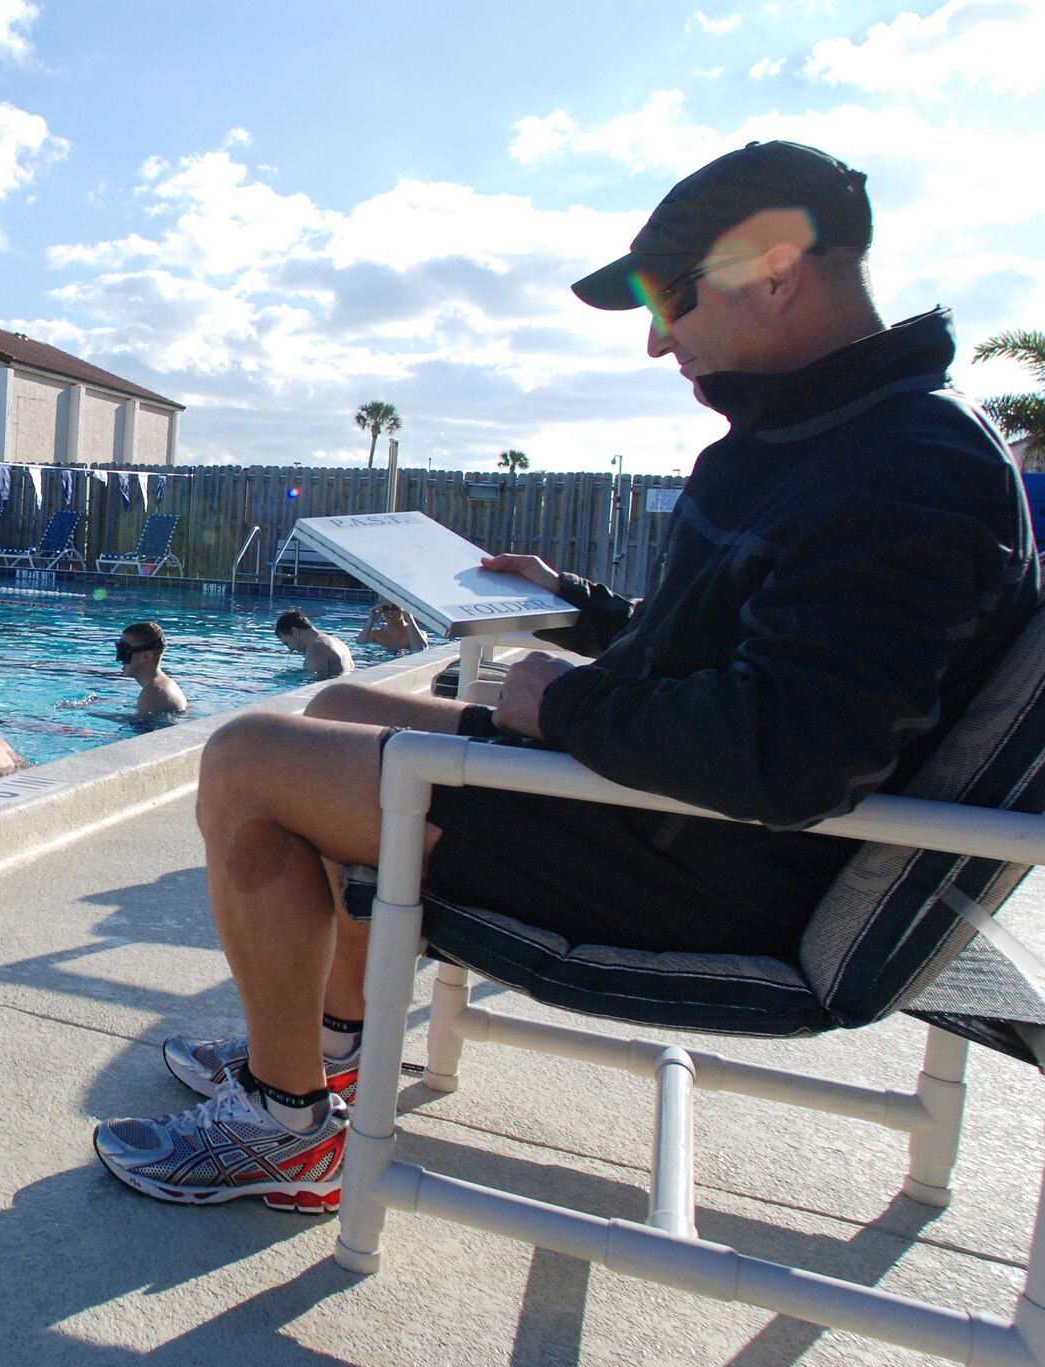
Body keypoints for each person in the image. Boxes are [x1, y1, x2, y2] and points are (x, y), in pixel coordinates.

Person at [94, 140, 1039, 1214]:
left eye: (668, 298)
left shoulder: (906, 468)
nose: (652, 340)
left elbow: (789, 754)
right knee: (337, 705)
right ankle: (331, 1044)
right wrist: (584, 607)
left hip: (708, 864)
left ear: (775, 271)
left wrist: (563, 700)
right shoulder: (842, 438)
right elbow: (753, 647)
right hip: (667, 815)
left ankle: (283, 1118)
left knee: (247, 761)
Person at [117, 621, 188, 717]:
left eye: (124, 651)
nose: (120, 658)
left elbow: (140, 728)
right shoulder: (163, 686)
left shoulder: (153, 692)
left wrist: (91, 714)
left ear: (146, 656)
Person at [273, 609, 355, 679]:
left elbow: (314, 687)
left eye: (287, 643)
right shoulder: (336, 641)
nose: (291, 650)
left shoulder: (316, 648)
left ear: (294, 632)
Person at [357, 601, 427, 652]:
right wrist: (370, 620)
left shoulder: (418, 634)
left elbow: (419, 650)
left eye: (395, 607)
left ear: (403, 609)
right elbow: (360, 645)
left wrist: (409, 618)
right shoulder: (377, 634)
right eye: (386, 608)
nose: (390, 612)